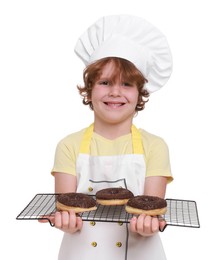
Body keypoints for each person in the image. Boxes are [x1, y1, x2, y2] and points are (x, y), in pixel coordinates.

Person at [50, 14, 173, 260]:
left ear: (140, 94)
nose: (115, 92)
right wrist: (64, 222)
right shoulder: (68, 146)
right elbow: (66, 209)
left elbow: (152, 208)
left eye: (126, 84)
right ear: (90, 88)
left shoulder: (155, 146)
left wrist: (148, 225)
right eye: (105, 82)